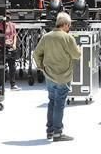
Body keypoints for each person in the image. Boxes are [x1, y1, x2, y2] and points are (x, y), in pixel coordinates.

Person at [34, 12, 82, 141]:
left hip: (49, 76)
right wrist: (79, 49)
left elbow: (36, 54)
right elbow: (76, 55)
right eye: (69, 25)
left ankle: (49, 131)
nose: (69, 28)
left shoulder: (46, 37)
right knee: (59, 104)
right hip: (64, 76)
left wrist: (41, 67)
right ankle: (57, 132)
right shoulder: (67, 38)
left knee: (52, 102)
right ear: (65, 24)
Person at [2, 15, 20, 90]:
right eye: (6, 19)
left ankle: (13, 85)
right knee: (1, 67)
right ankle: (1, 86)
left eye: (8, 19)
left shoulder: (12, 25)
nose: (7, 21)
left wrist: (14, 44)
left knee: (12, 67)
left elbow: (15, 35)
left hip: (11, 46)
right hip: (2, 46)